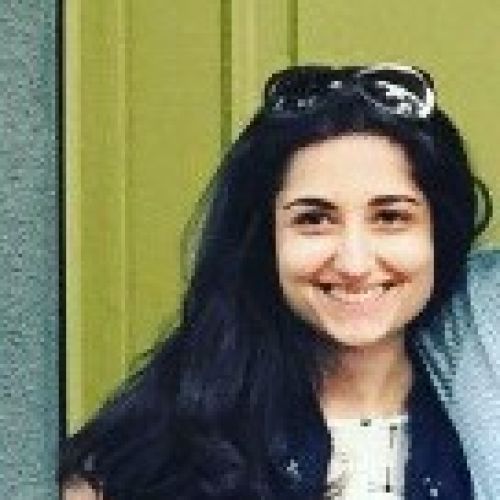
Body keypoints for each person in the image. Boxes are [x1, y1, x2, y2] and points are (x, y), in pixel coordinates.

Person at [61, 63, 495, 499]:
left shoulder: (481, 424)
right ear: (264, 237)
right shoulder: (154, 452)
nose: (354, 263)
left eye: (390, 217)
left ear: (439, 233)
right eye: (314, 219)